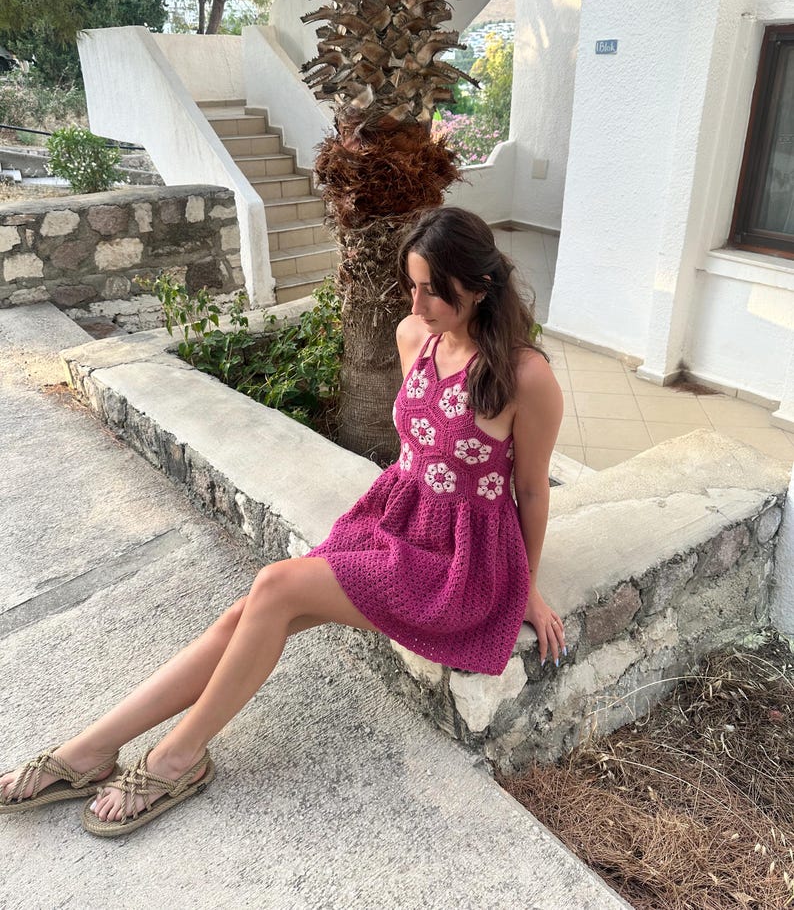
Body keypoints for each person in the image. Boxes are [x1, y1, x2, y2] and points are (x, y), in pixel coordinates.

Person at [0, 205, 565, 836]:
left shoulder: (524, 375)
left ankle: (176, 757)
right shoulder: (416, 338)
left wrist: (527, 588)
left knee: (275, 587)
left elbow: (532, 492)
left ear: (481, 284)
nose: (420, 301)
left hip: (459, 564)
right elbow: (419, 445)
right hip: (397, 523)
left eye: (437, 289)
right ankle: (92, 749)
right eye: (414, 284)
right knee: (246, 614)